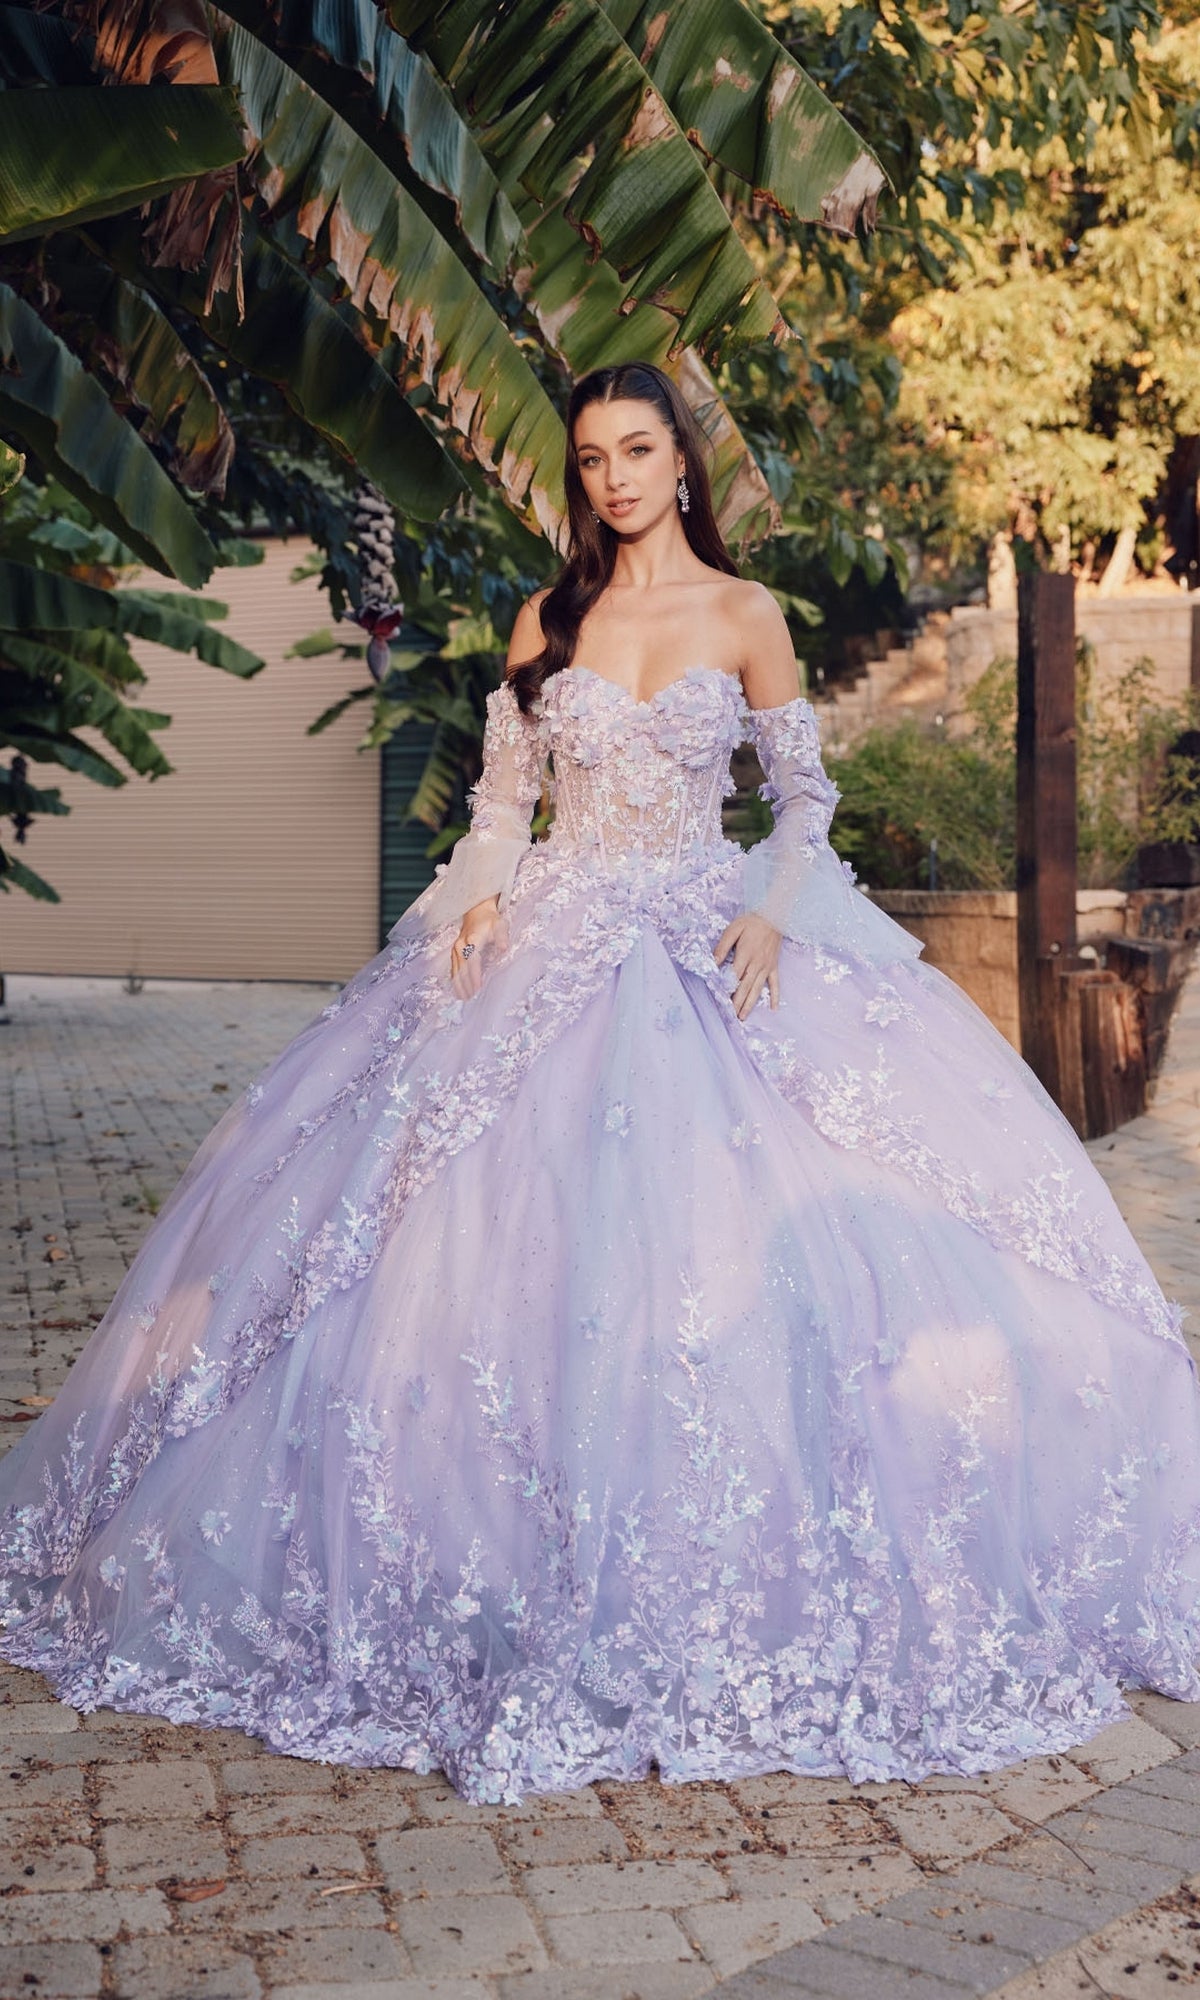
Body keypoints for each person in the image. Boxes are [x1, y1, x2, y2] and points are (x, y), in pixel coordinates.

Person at [1, 362, 1198, 1806]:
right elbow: (506, 805)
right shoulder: (549, 617)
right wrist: (486, 896)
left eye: (638, 450)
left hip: (709, 924)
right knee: (439, 1231)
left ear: (681, 464)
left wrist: (774, 903)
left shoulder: (744, 617)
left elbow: (804, 797)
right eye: (591, 458)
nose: (615, 477)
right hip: (551, 935)